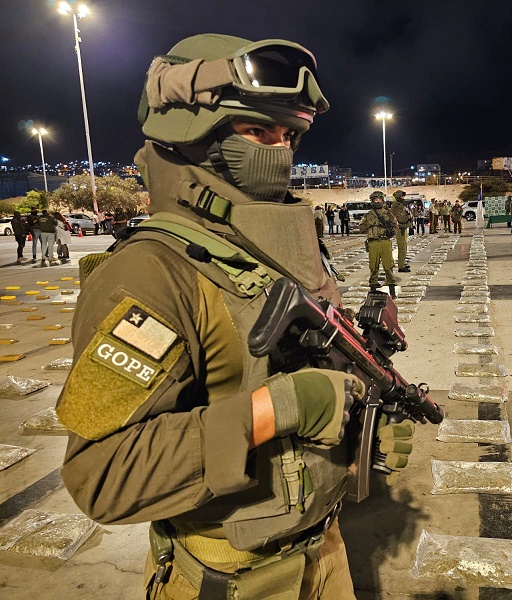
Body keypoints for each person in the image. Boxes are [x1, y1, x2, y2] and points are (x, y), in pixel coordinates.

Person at [55, 33, 412, 600]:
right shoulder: (152, 271)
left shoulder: (280, 244)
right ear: (192, 133)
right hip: (230, 578)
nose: (280, 150)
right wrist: (279, 409)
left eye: (288, 135)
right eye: (256, 131)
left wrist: (358, 420)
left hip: (324, 550)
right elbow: (105, 474)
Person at [359, 190, 398, 296]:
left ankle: (392, 288)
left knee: (388, 266)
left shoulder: (388, 214)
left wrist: (390, 232)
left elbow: (395, 226)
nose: (377, 201)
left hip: (385, 242)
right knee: (373, 266)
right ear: (372, 201)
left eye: (379, 199)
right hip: (373, 243)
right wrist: (370, 224)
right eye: (375, 200)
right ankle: (373, 287)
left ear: (382, 200)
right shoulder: (368, 215)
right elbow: (361, 228)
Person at [390, 190, 412, 272]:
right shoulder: (396, 206)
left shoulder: (400, 205)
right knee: (402, 247)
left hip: (403, 227)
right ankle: (401, 266)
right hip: (400, 228)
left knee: (404, 246)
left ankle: (402, 263)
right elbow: (397, 218)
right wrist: (406, 220)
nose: (403, 198)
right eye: (402, 197)